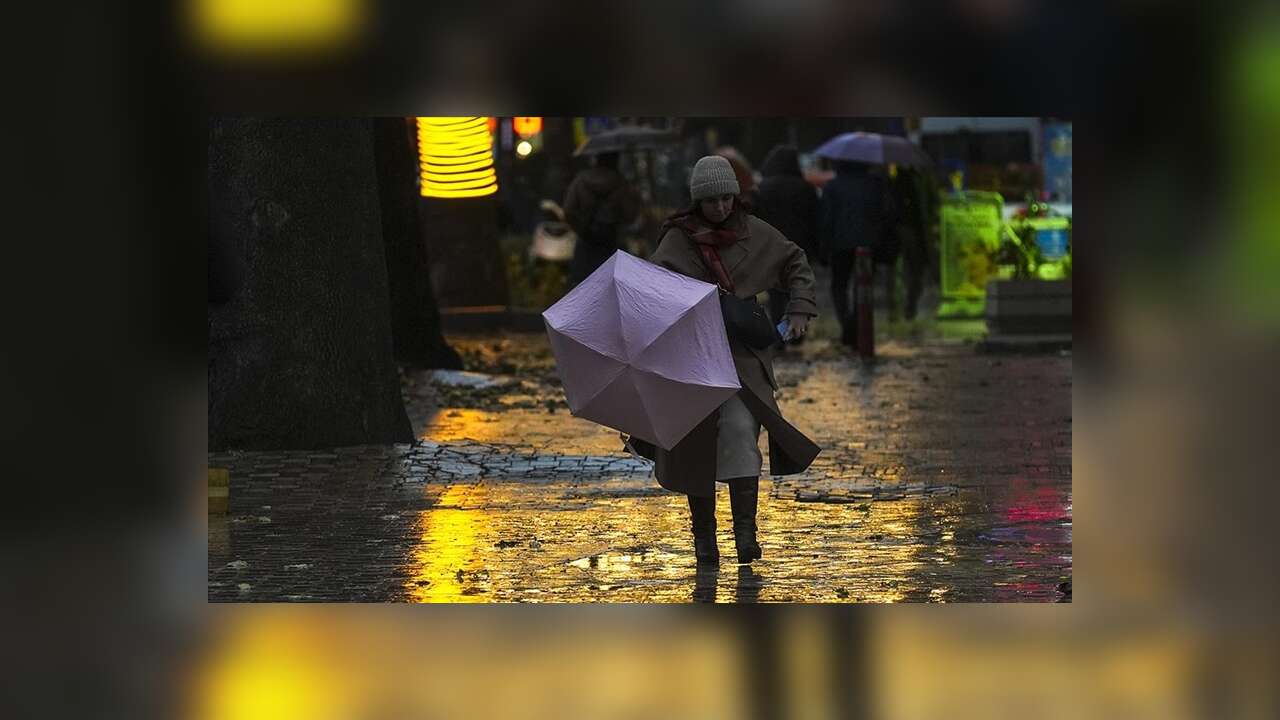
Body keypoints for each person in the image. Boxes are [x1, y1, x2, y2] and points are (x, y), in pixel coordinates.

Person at [638, 155, 821, 567]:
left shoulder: (754, 233)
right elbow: (653, 291)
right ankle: (704, 540)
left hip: (741, 358)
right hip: (690, 360)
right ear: (697, 201)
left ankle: (745, 533)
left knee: (741, 432)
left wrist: (799, 310)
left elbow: (795, 262)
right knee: (694, 445)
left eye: (727, 199)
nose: (721, 208)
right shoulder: (677, 241)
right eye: (712, 201)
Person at [818, 160, 893, 346]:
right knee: (863, 288)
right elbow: (886, 213)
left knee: (839, 286)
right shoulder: (876, 184)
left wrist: (823, 248)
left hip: (840, 244)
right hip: (869, 244)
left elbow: (826, 219)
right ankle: (855, 325)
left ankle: (847, 326)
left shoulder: (833, 186)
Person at [754, 145, 820, 336]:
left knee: (775, 294)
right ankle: (797, 332)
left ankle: (780, 334)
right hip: (800, 247)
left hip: (771, 249)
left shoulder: (763, 189)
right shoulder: (806, 189)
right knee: (798, 290)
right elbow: (814, 219)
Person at [562, 151, 641, 287]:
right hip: (612, 244)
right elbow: (630, 215)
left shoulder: (581, 180)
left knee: (583, 287)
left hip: (586, 243)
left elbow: (568, 210)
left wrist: (581, 228)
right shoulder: (620, 182)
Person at [890, 166, 931, 320]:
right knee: (914, 272)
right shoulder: (919, 182)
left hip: (899, 232)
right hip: (913, 231)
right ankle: (908, 307)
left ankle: (898, 309)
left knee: (898, 273)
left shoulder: (892, 184)